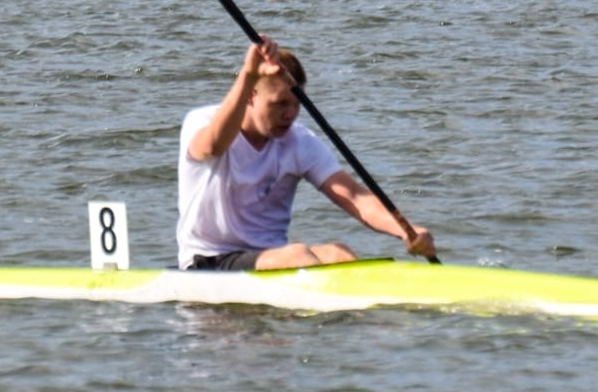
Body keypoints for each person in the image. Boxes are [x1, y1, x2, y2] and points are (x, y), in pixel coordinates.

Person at [177, 36, 437, 270]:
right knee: (297, 256)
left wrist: (405, 230)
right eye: (279, 103)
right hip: (210, 261)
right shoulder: (201, 121)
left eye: (296, 103)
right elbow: (212, 146)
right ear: (250, 96)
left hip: (270, 257)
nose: (290, 114)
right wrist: (248, 73)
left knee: (339, 254)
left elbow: (356, 197)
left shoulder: (299, 141)